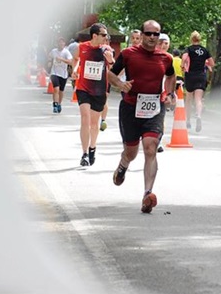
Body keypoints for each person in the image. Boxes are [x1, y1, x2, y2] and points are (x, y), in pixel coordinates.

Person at [107, 20, 176, 213]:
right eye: (149, 34)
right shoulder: (129, 54)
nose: (153, 37)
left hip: (154, 107)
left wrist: (168, 93)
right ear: (143, 35)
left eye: (156, 34)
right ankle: (123, 166)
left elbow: (171, 76)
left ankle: (148, 194)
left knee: (150, 148)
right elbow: (111, 74)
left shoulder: (166, 58)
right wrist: (121, 85)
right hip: (130, 107)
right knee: (131, 152)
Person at [72, 23, 114, 167]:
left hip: (99, 91)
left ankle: (92, 148)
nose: (106, 37)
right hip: (83, 88)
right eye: (103, 35)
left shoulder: (106, 49)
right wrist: (75, 69)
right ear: (94, 35)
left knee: (94, 124)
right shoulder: (82, 47)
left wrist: (110, 60)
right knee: (85, 118)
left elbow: (113, 67)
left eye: (107, 35)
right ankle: (84, 153)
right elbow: (76, 59)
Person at [182, 31, 214, 132]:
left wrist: (183, 64)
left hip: (190, 75)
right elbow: (212, 63)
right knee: (198, 99)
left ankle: (188, 121)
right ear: (199, 39)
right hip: (201, 75)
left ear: (191, 39)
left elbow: (184, 57)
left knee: (188, 99)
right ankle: (198, 116)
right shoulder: (205, 50)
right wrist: (205, 62)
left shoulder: (189, 49)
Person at [49, 37, 73, 113]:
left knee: (61, 91)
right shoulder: (54, 51)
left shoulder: (66, 52)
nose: (61, 44)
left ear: (64, 44)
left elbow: (70, 62)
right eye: (59, 42)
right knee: (56, 89)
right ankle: (55, 105)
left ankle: (59, 103)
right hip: (54, 72)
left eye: (62, 42)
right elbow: (49, 56)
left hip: (63, 73)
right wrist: (49, 62)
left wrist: (61, 59)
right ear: (57, 43)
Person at [100, 32, 114, 132]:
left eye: (106, 40)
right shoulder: (94, 49)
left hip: (105, 78)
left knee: (104, 99)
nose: (104, 42)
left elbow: (112, 67)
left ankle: (103, 120)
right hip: (94, 78)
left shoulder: (110, 50)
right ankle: (97, 120)